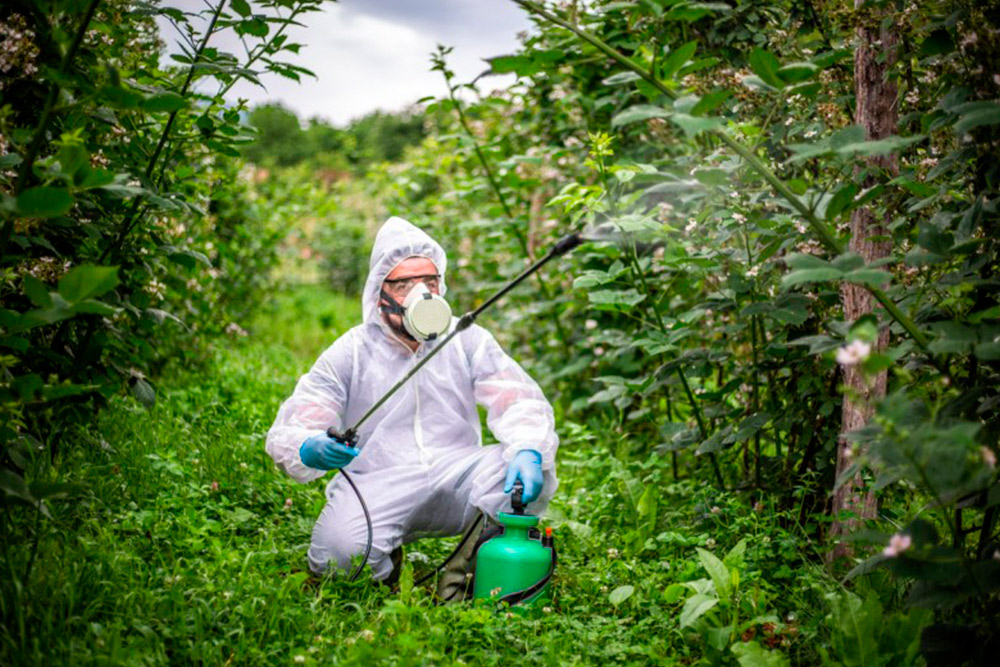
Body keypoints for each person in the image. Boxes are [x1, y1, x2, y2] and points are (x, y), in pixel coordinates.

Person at [265, 216, 558, 600]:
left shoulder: (466, 338)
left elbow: (516, 397)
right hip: (377, 482)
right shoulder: (352, 351)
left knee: (524, 468)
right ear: (379, 291)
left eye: (430, 282)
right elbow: (299, 419)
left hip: (457, 475)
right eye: (404, 284)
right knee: (339, 559)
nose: (422, 293)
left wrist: (528, 449)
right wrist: (309, 446)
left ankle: (470, 576)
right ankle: (387, 568)